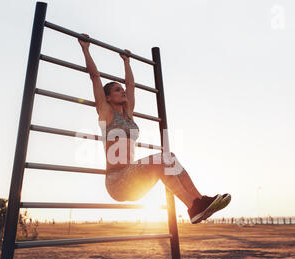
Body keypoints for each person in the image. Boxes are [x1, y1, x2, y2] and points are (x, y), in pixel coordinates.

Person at [78, 34, 231, 224]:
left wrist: (127, 62)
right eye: (117, 90)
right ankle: (194, 206)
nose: (123, 91)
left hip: (134, 179)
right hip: (118, 182)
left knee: (170, 157)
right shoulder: (106, 112)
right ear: (107, 97)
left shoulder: (128, 113)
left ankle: (197, 202)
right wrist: (85, 49)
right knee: (162, 159)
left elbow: (131, 86)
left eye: (121, 89)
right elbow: (95, 77)